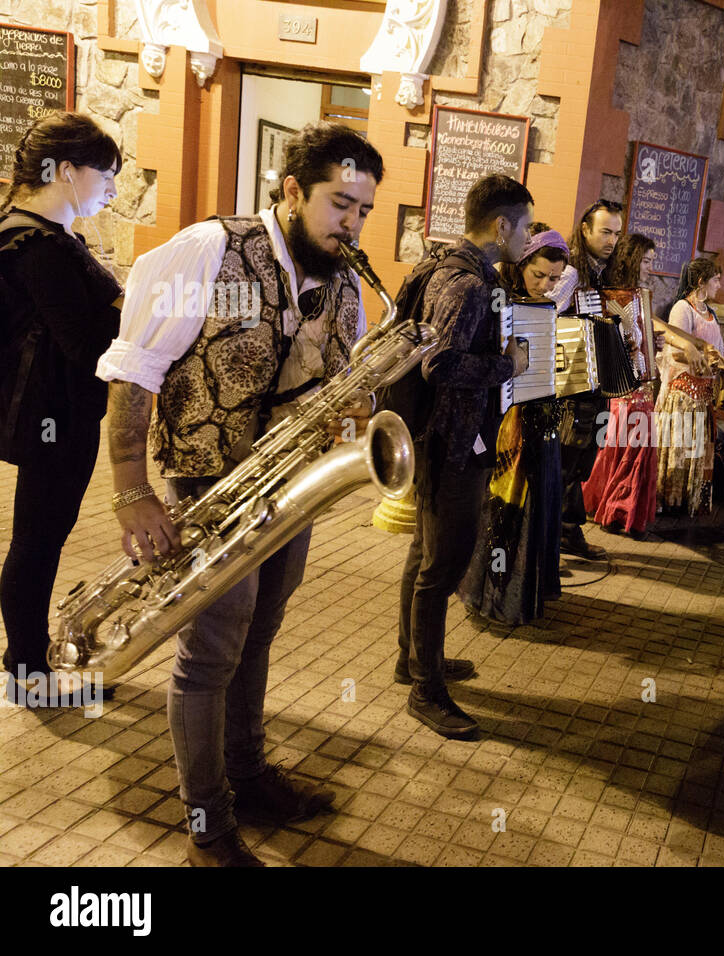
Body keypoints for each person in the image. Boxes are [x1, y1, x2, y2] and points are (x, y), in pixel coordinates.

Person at [98, 122, 384, 865]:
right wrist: (131, 493)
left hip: (289, 486)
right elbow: (134, 372)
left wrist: (350, 402)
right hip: (206, 486)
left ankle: (250, 774)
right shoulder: (207, 250)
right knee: (210, 652)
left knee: (259, 634)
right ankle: (207, 825)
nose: (351, 224)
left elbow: (334, 375)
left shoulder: (346, 279)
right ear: (291, 190)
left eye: (363, 210)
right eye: (339, 203)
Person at [398, 174, 532, 742]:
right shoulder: (469, 284)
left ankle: (412, 660)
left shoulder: (441, 266)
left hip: (438, 439)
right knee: (442, 568)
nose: (526, 239)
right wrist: (510, 367)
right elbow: (442, 365)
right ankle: (426, 692)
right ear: (501, 226)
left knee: (422, 554)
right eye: (524, 227)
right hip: (453, 444)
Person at [0, 113, 122, 704]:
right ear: (67, 171)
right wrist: (132, 304)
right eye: (106, 175)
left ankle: (26, 662)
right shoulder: (43, 246)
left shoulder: (31, 232)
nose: (112, 189)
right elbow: (83, 346)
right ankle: (26, 672)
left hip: (51, 415)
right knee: (37, 543)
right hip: (54, 420)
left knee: (37, 539)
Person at [457, 223, 567, 625]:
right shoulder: (498, 299)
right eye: (538, 274)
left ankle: (523, 593)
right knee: (505, 504)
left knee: (538, 500)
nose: (545, 285)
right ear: (521, 263)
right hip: (507, 422)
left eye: (554, 278)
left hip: (541, 418)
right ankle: (493, 596)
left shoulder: (551, 307)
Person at [551, 199, 624, 560]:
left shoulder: (602, 274)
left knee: (583, 457)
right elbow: (544, 312)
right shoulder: (571, 273)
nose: (612, 240)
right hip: (572, 382)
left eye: (616, 233)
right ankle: (552, 538)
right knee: (566, 457)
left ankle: (566, 529)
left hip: (597, 383)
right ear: (585, 229)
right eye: (605, 231)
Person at [582, 233, 659, 535]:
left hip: (640, 382)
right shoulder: (614, 297)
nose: (650, 267)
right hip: (624, 384)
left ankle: (622, 508)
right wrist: (634, 343)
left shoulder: (640, 295)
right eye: (647, 261)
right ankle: (615, 508)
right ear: (633, 260)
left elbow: (638, 337)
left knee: (637, 445)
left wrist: (652, 340)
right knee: (626, 446)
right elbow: (619, 338)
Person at [657, 257, 724, 517]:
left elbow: (717, 351)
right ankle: (669, 499)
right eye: (716, 279)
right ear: (700, 282)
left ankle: (689, 498)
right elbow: (674, 350)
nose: (720, 285)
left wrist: (723, 367)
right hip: (684, 392)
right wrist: (702, 358)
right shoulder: (682, 309)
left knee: (696, 449)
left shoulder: (711, 313)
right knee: (679, 446)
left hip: (703, 393)